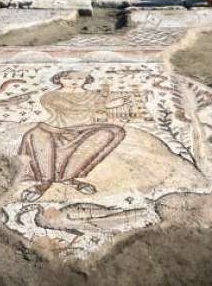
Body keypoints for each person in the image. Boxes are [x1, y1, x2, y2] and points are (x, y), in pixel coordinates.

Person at [18, 70, 129, 203]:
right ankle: (44, 182)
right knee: (37, 138)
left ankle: (69, 178)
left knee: (113, 133)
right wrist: (107, 105)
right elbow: (69, 109)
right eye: (67, 78)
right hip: (53, 130)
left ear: (86, 79)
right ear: (58, 79)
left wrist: (108, 107)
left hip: (83, 130)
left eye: (80, 77)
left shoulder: (93, 96)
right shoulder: (50, 96)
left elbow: (96, 108)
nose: (74, 81)